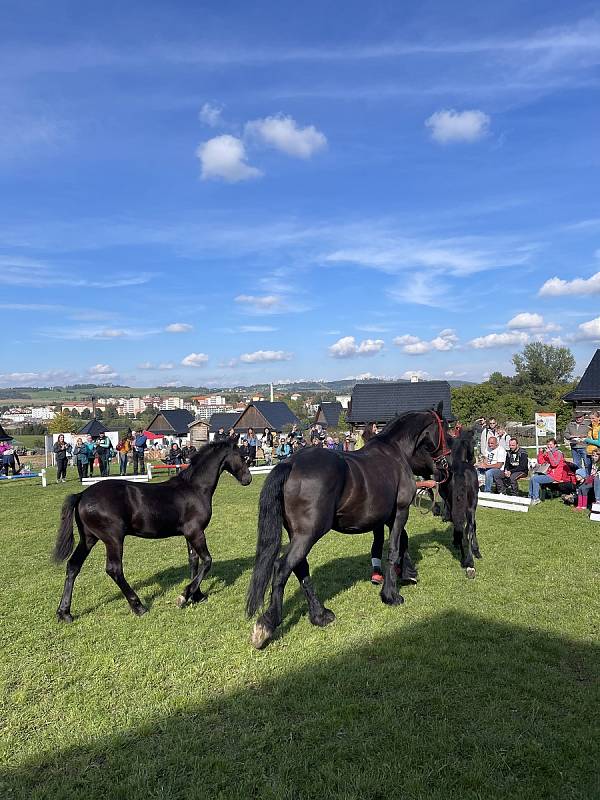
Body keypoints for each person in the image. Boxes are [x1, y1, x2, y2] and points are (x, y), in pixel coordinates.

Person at [528, 438, 571, 504]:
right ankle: (530, 497)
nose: (549, 446)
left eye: (550, 445)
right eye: (548, 445)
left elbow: (554, 464)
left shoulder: (558, 453)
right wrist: (540, 453)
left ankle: (536, 498)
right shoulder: (549, 453)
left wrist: (549, 453)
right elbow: (541, 462)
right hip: (547, 473)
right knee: (532, 478)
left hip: (554, 475)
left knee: (535, 479)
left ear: (555, 445)